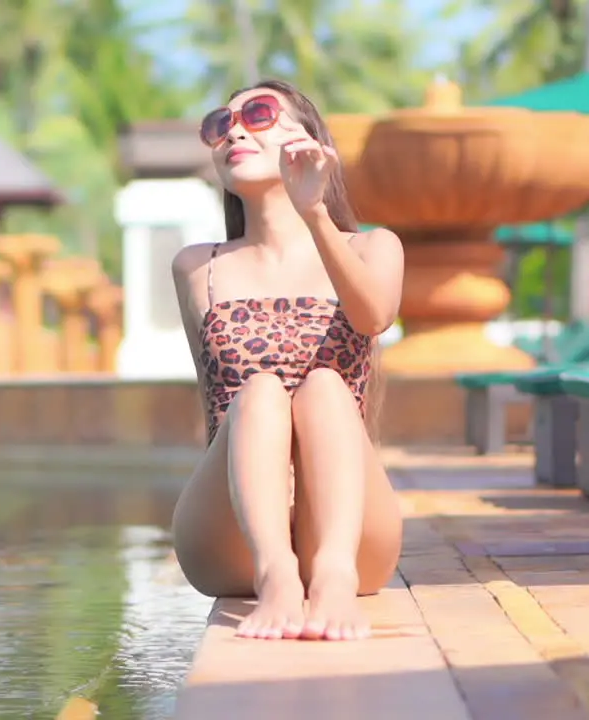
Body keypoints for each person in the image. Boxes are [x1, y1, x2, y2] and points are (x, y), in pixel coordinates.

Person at [169, 80, 405, 642]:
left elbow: (373, 318)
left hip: (352, 535)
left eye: (257, 113)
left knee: (325, 387)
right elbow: (213, 408)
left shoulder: (372, 247)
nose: (236, 131)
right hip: (233, 538)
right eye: (220, 124)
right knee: (261, 392)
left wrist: (315, 213)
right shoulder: (197, 266)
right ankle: (276, 573)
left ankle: (330, 575)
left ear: (309, 139)